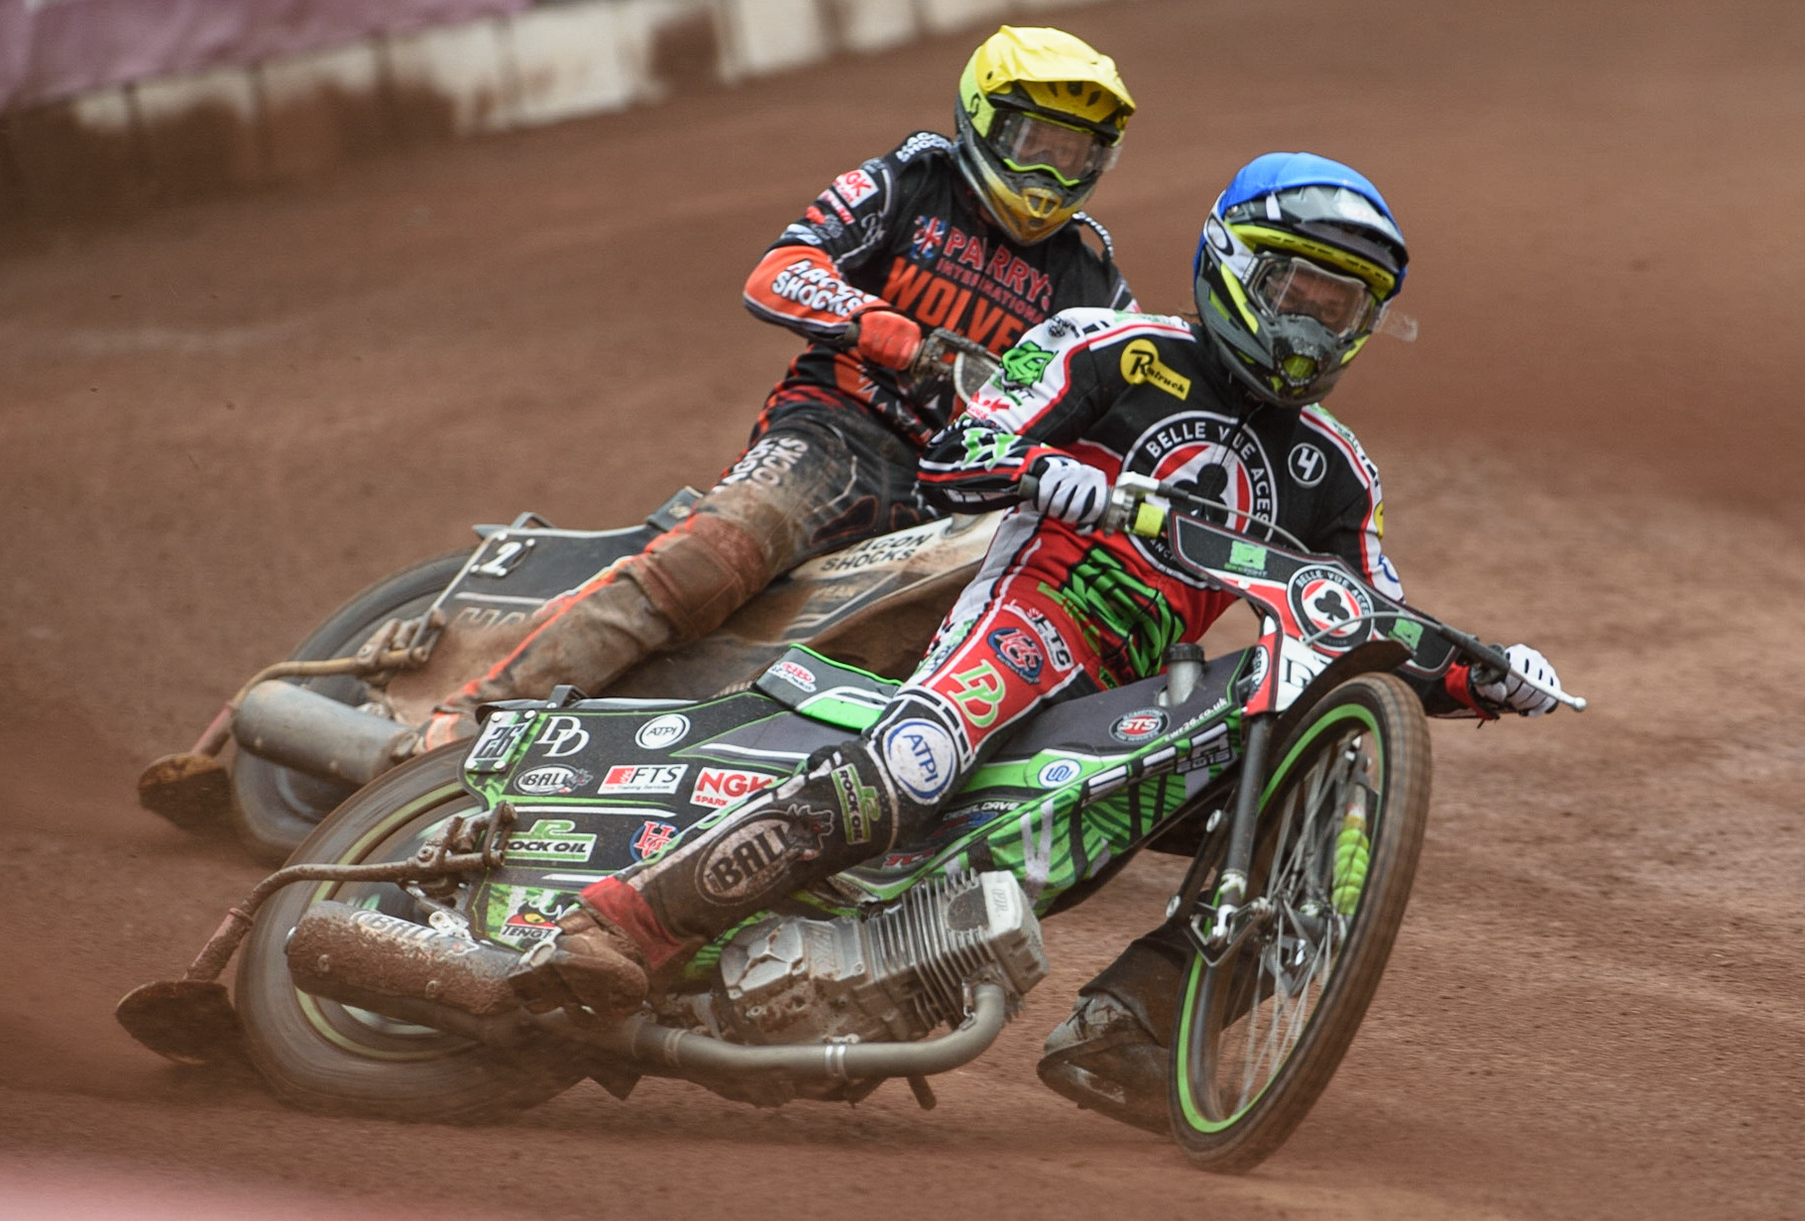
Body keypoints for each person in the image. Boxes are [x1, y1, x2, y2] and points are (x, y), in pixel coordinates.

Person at [505, 152, 1565, 1124]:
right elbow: (960, 446)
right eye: (1298, 292)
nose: (1313, 327)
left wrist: (1487, 672)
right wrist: (1039, 466)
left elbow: (1367, 621)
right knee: (914, 766)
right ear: (1234, 266)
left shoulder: (1338, 470)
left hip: (1142, 687)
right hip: (1036, 615)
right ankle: (626, 920)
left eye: (1343, 308)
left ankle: (1133, 1029)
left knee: (1323, 818)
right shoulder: (1110, 347)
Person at [420, 25, 1140, 749]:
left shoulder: (1093, 281)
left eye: (1072, 153)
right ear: (985, 123)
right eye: (1034, 142)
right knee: (707, 566)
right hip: (835, 434)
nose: (1049, 172)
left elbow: (1144, 402)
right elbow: (780, 269)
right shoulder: (909, 183)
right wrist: (878, 325)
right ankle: (466, 721)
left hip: (966, 493)